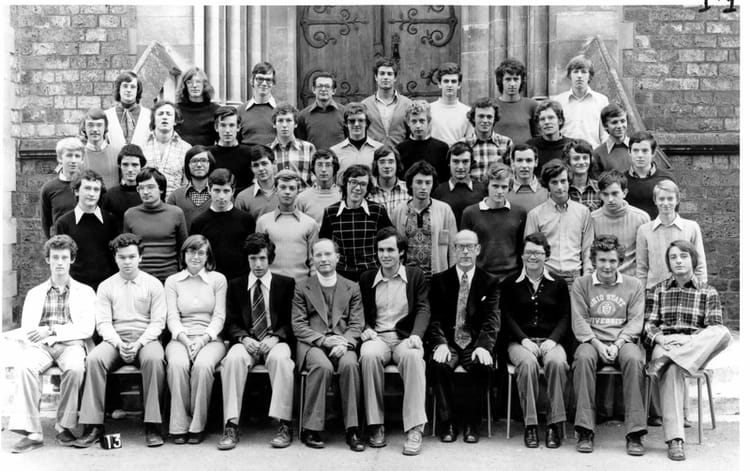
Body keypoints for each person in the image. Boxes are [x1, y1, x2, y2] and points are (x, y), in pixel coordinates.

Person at [73, 233, 167, 448]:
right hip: (115, 339)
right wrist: (118, 343)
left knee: (154, 360)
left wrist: (139, 343)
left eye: (132, 257)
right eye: (122, 257)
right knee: (94, 359)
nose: (127, 262)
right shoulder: (106, 286)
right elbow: (103, 323)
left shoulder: (153, 284)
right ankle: (93, 425)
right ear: (115, 258)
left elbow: (158, 323)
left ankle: (153, 424)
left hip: (145, 339)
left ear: (140, 258)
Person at [643, 240, 732, 462]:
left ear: (693, 259)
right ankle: (675, 439)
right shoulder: (658, 290)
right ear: (668, 263)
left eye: (683, 256)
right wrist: (663, 339)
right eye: (673, 257)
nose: (679, 261)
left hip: (694, 346)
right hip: (665, 343)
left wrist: (689, 341)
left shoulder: (708, 292)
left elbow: (714, 327)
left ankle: (667, 361)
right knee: (673, 369)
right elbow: (649, 325)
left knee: (723, 333)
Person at [7, 235, 95, 453]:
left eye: (64, 257)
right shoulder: (35, 293)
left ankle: (63, 425)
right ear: (47, 260)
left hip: (71, 345)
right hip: (41, 346)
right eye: (55, 257)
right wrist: (45, 336)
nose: (59, 263)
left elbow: (86, 328)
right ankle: (33, 433)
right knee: (25, 366)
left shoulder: (85, 292)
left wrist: (52, 330)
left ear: (72, 259)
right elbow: (29, 328)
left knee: (75, 368)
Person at [570, 235, 647, 455]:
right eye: (602, 260)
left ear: (620, 261)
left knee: (634, 359)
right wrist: (597, 344)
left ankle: (635, 433)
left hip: (622, 341)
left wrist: (618, 343)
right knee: (583, 358)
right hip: (592, 340)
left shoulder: (633, 285)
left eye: (612, 261)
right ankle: (585, 430)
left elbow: (636, 321)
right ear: (594, 261)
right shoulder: (581, 284)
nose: (607, 266)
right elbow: (579, 320)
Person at [219, 233, 296, 450]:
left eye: (262, 258)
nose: (258, 264)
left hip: (275, 340)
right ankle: (231, 425)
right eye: (253, 259)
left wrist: (276, 337)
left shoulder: (286, 284)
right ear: (247, 259)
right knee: (233, 359)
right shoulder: (236, 285)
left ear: (270, 258)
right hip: (248, 342)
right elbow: (230, 321)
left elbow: (292, 320)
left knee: (281, 359)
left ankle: (284, 424)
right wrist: (243, 338)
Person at [358, 227, 430, 456]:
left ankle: (415, 428)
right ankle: (375, 424)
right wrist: (365, 329)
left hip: (404, 337)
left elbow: (423, 308)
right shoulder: (367, 278)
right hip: (378, 336)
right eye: (381, 250)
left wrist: (417, 334)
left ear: (401, 252)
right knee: (368, 355)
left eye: (390, 250)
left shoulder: (415, 276)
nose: (385, 255)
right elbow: (358, 310)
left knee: (414, 357)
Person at [427, 229, 500, 445]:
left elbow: (492, 318)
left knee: (482, 364)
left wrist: (484, 346)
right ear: (454, 250)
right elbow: (434, 318)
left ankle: (472, 424)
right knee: (439, 364)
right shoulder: (439, 280)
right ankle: (448, 423)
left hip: (475, 343)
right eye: (461, 247)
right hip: (449, 341)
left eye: (470, 247)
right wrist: (440, 343)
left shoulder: (490, 281)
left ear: (478, 249)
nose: (465, 251)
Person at [291, 238, 365, 451]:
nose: (323, 259)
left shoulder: (352, 287)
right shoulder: (302, 287)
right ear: (312, 259)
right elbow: (298, 325)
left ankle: (352, 428)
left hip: (342, 343)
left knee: (350, 364)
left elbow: (356, 323)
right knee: (322, 366)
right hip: (313, 344)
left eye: (328, 254)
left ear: (337, 257)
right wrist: (323, 340)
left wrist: (346, 344)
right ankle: (311, 428)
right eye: (318, 255)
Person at [501, 232, 570, 449]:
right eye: (528, 252)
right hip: (520, 343)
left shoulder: (558, 283)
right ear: (521, 255)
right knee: (528, 363)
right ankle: (530, 424)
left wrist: (553, 340)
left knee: (557, 363)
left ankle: (553, 424)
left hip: (551, 341)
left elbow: (565, 316)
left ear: (546, 255)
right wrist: (523, 340)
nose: (533, 256)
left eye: (538, 253)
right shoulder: (510, 283)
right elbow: (506, 316)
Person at [164, 236, 227, 445]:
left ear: (208, 256)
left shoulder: (218, 280)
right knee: (177, 365)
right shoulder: (172, 281)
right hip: (180, 337)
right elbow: (172, 317)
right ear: (184, 254)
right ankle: (179, 425)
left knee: (203, 366)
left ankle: (197, 425)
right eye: (191, 252)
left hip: (210, 338)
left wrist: (202, 340)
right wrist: (185, 339)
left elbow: (219, 316)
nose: (195, 257)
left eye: (201, 252)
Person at [524, 159, 593, 285]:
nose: (560, 187)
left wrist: (587, 275)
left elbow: (587, 248)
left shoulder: (583, 212)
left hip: (575, 278)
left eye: (563, 181)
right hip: (546, 277)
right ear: (547, 185)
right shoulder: (535, 215)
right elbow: (530, 251)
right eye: (554, 182)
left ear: (569, 181)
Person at [319, 164, 392, 282]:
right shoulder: (331, 212)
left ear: (368, 188)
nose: (358, 188)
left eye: (363, 184)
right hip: (341, 275)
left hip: (372, 274)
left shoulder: (377, 210)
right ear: (345, 184)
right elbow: (324, 244)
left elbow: (389, 240)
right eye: (353, 182)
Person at [636, 179, 707, 289]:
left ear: (677, 200)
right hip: (654, 291)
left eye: (670, 199)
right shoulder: (644, 230)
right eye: (661, 199)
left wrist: (701, 289)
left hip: (686, 291)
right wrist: (641, 293)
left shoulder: (691, 227)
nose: (665, 203)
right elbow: (641, 268)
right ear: (655, 200)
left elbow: (700, 264)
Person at [392, 161, 457, 281]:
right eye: (419, 182)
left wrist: (453, 277)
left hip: (437, 277)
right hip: (408, 279)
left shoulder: (444, 210)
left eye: (428, 183)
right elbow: (394, 246)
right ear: (410, 184)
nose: (423, 187)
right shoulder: (399, 211)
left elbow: (453, 247)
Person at [54, 170, 118, 290]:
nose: (92, 194)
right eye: (87, 188)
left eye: (96, 189)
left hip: (107, 288)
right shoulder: (63, 223)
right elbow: (60, 259)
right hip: (76, 288)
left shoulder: (111, 221)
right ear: (76, 191)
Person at [461, 162, 525, 281]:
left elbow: (522, 248)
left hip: (512, 277)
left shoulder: (519, 213)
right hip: (481, 278)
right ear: (487, 186)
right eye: (495, 186)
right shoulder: (470, 213)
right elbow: (465, 250)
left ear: (509, 188)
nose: (499, 191)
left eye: (504, 187)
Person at [190, 168, 256, 280]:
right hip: (210, 280)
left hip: (240, 280)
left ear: (233, 191)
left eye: (226, 191)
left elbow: (252, 253)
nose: (221, 196)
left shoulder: (246, 220)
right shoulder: (199, 222)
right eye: (217, 190)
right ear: (209, 190)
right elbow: (195, 255)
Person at [124, 168, 188, 283]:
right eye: (141, 188)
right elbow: (127, 249)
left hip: (170, 279)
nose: (145, 192)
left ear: (161, 189)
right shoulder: (130, 215)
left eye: (150, 187)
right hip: (139, 279)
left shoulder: (176, 213)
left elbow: (184, 248)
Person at [256, 169, 318, 282]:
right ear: (276, 190)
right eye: (283, 187)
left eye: (292, 188)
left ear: (298, 192)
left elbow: (313, 261)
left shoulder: (310, 223)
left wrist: (313, 287)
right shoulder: (263, 222)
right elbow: (258, 258)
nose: (287, 192)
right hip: (272, 285)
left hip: (300, 285)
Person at [591, 170, 650, 276]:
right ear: (600, 195)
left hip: (632, 279)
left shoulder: (641, 218)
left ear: (624, 193)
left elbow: (646, 257)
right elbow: (590, 256)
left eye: (615, 194)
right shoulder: (592, 219)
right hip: (603, 279)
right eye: (605, 194)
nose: (610, 199)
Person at [551, 55, 609, 147]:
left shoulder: (601, 100)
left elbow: (604, 134)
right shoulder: (558, 101)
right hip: (565, 152)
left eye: (584, 72)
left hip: (592, 152)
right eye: (575, 72)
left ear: (590, 76)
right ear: (569, 75)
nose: (579, 76)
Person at [142, 100, 192, 196]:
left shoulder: (186, 149)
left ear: (175, 121)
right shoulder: (141, 145)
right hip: (146, 200)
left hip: (174, 202)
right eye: (160, 114)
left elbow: (187, 184)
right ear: (154, 120)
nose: (164, 117)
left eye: (169, 114)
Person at [362, 57, 413, 147]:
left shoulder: (407, 104)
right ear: (376, 77)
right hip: (374, 153)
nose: (385, 77)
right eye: (382, 74)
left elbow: (412, 132)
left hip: (400, 152)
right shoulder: (365, 105)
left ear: (395, 78)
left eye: (389, 74)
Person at [395, 100, 450, 183]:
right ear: (408, 122)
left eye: (422, 121)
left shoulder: (442, 148)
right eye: (414, 121)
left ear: (428, 121)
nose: (418, 126)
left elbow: (445, 178)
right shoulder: (400, 149)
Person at [432, 142, 485, 224]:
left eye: (465, 161)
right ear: (449, 163)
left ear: (471, 163)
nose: (460, 167)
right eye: (456, 161)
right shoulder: (439, 191)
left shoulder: (482, 190)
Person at [625, 131, 675, 219]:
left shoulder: (666, 179)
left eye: (645, 151)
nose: (640, 155)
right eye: (635, 150)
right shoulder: (621, 180)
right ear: (629, 152)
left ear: (653, 153)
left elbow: (673, 213)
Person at [41, 137, 83, 238]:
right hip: (62, 243)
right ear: (60, 158)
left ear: (82, 160)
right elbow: (46, 223)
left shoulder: (89, 186)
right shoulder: (49, 189)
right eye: (69, 155)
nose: (73, 160)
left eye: (77, 156)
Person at [166, 145, 215, 230]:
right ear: (187, 165)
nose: (199, 165)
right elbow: (169, 227)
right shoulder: (175, 196)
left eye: (203, 160)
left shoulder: (221, 194)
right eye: (194, 161)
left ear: (210, 164)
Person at [330, 102, 383, 181]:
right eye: (352, 121)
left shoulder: (379, 149)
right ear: (345, 123)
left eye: (361, 120)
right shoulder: (335, 152)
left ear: (367, 123)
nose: (356, 124)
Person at [208, 105, 255, 195]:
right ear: (216, 127)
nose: (227, 130)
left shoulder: (250, 153)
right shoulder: (208, 154)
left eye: (231, 125)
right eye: (223, 125)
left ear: (238, 127)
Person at [463, 98, 513, 182]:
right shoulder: (464, 144)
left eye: (489, 117)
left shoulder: (506, 143)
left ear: (494, 119)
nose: (485, 120)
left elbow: (510, 175)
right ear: (473, 118)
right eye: (481, 116)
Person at [269, 103, 316, 188]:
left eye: (288, 120)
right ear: (274, 124)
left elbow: (315, 180)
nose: (284, 125)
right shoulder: (267, 151)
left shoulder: (308, 148)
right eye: (280, 121)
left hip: (303, 195)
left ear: (295, 124)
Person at [101, 144, 147, 231]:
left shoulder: (148, 194)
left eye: (134, 165)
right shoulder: (109, 196)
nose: (130, 169)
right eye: (125, 164)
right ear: (120, 166)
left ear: (141, 166)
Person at [493, 58, 538, 144]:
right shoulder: (492, 106)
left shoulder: (532, 105)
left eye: (516, 79)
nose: (512, 84)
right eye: (508, 79)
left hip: (525, 152)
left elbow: (538, 136)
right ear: (501, 81)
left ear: (521, 81)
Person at [296, 71, 346, 150]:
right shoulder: (303, 116)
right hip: (314, 157)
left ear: (333, 91)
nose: (323, 89)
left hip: (339, 157)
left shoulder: (344, 113)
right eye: (320, 86)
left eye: (327, 86)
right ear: (313, 89)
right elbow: (301, 144)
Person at [104, 71, 151, 150]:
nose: (129, 90)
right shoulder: (107, 116)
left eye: (133, 87)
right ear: (119, 89)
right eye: (125, 86)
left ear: (137, 90)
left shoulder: (148, 115)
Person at [174, 67, 220, 146]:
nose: (194, 86)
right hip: (180, 153)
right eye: (189, 82)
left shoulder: (216, 110)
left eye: (198, 82)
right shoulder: (175, 110)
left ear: (204, 84)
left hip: (206, 153)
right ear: (184, 86)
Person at [429, 62, 473, 145]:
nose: (449, 85)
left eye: (453, 81)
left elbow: (470, 139)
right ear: (439, 84)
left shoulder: (467, 111)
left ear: (459, 85)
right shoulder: (430, 109)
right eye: (446, 81)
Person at [295, 149, 342, 226]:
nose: (323, 170)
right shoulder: (302, 198)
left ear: (334, 168)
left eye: (328, 165)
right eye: (319, 165)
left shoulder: (343, 196)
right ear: (313, 168)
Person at [526, 100, 575, 173]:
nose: (547, 122)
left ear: (560, 120)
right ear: (538, 124)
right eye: (542, 119)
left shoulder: (572, 146)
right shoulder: (530, 147)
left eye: (551, 118)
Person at [234, 144, 279, 220]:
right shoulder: (243, 198)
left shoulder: (287, 191)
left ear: (274, 163)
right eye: (256, 165)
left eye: (264, 163)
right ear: (251, 168)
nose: (261, 169)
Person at [238, 61, 277, 146]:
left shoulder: (280, 110)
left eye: (268, 80)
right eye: (260, 79)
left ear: (273, 83)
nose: (264, 83)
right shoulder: (240, 111)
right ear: (252, 81)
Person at [80, 107, 120, 188]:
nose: (95, 129)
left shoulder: (117, 154)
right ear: (84, 127)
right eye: (90, 125)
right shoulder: (78, 155)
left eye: (99, 125)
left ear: (105, 127)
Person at [505, 143, 548, 213]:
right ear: (512, 163)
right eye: (519, 160)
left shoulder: (546, 191)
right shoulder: (504, 190)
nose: (524, 165)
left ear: (536, 162)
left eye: (529, 160)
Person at [368, 145, 409, 218]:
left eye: (391, 162)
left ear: (397, 164)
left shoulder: (409, 191)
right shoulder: (368, 192)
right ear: (376, 165)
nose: (386, 166)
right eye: (382, 162)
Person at [564, 139, 602, 211]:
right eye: (576, 158)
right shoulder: (563, 189)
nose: (581, 162)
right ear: (568, 161)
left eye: (585, 158)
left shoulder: (600, 188)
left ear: (591, 160)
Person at [592, 103, 630, 175]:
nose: (619, 126)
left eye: (623, 121)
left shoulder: (638, 147)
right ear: (605, 126)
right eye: (614, 122)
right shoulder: (598, 154)